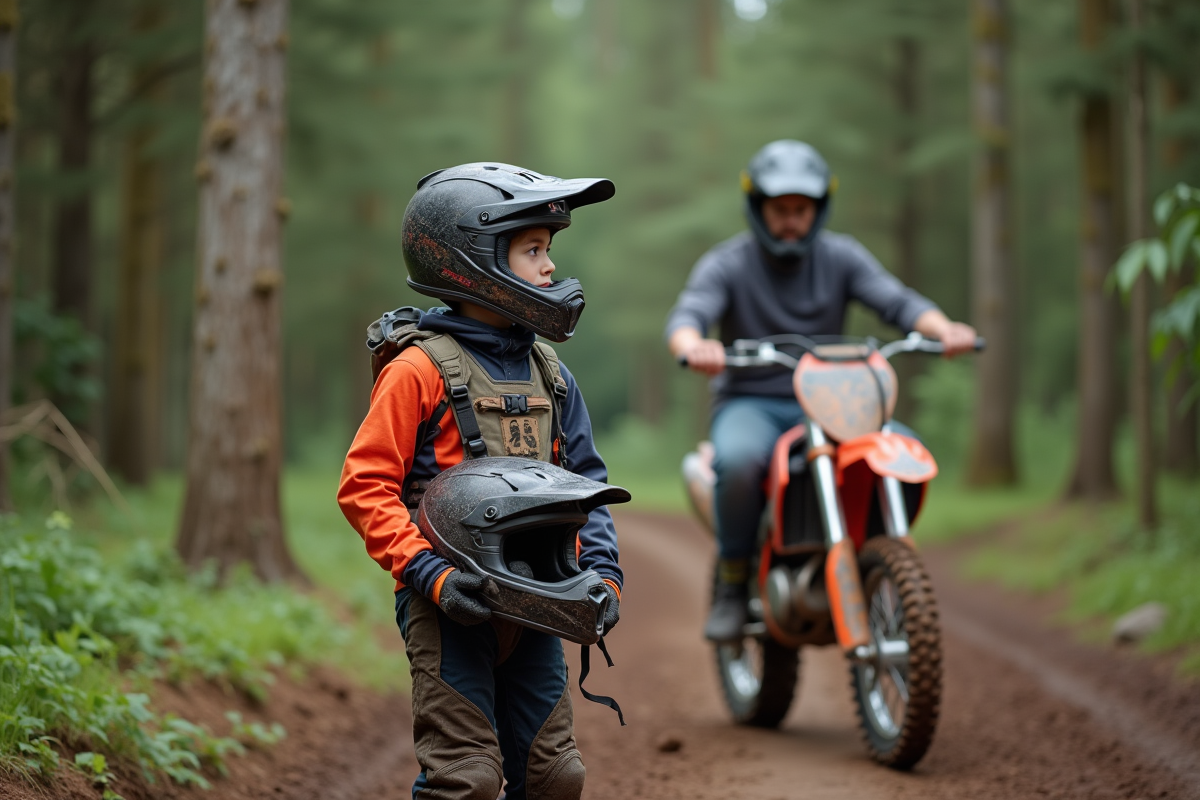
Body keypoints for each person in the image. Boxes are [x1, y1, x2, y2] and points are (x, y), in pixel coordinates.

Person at [338, 163, 623, 800]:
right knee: (464, 779)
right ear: (474, 258)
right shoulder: (418, 369)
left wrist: (602, 572)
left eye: (550, 250)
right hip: (448, 604)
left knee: (554, 777)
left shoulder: (552, 373)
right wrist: (425, 572)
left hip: (543, 599)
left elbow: (587, 481)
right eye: (533, 250)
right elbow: (364, 485)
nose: (550, 268)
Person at [664, 140, 977, 642]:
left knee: (901, 447)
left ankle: (874, 556)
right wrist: (694, 345)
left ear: (819, 210)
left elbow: (896, 301)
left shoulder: (842, 257)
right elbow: (690, 313)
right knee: (740, 462)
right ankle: (733, 581)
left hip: (837, 403)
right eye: (780, 210)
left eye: (801, 210)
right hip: (753, 401)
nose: (791, 221)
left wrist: (944, 328)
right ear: (758, 208)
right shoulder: (727, 263)